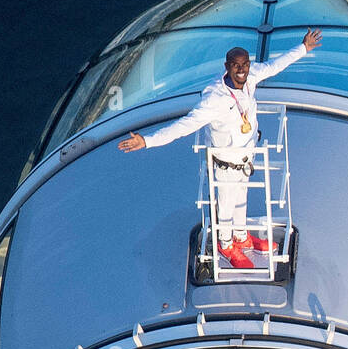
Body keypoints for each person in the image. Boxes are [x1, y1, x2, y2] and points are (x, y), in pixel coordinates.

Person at [118, 29, 322, 268]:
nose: (242, 69)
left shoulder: (251, 77)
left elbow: (275, 65)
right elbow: (183, 126)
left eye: (245, 64)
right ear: (227, 66)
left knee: (241, 200)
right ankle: (226, 245)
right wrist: (147, 140)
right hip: (226, 163)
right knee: (225, 204)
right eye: (236, 65)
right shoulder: (215, 99)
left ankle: (241, 237)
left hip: (245, 158)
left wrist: (303, 48)